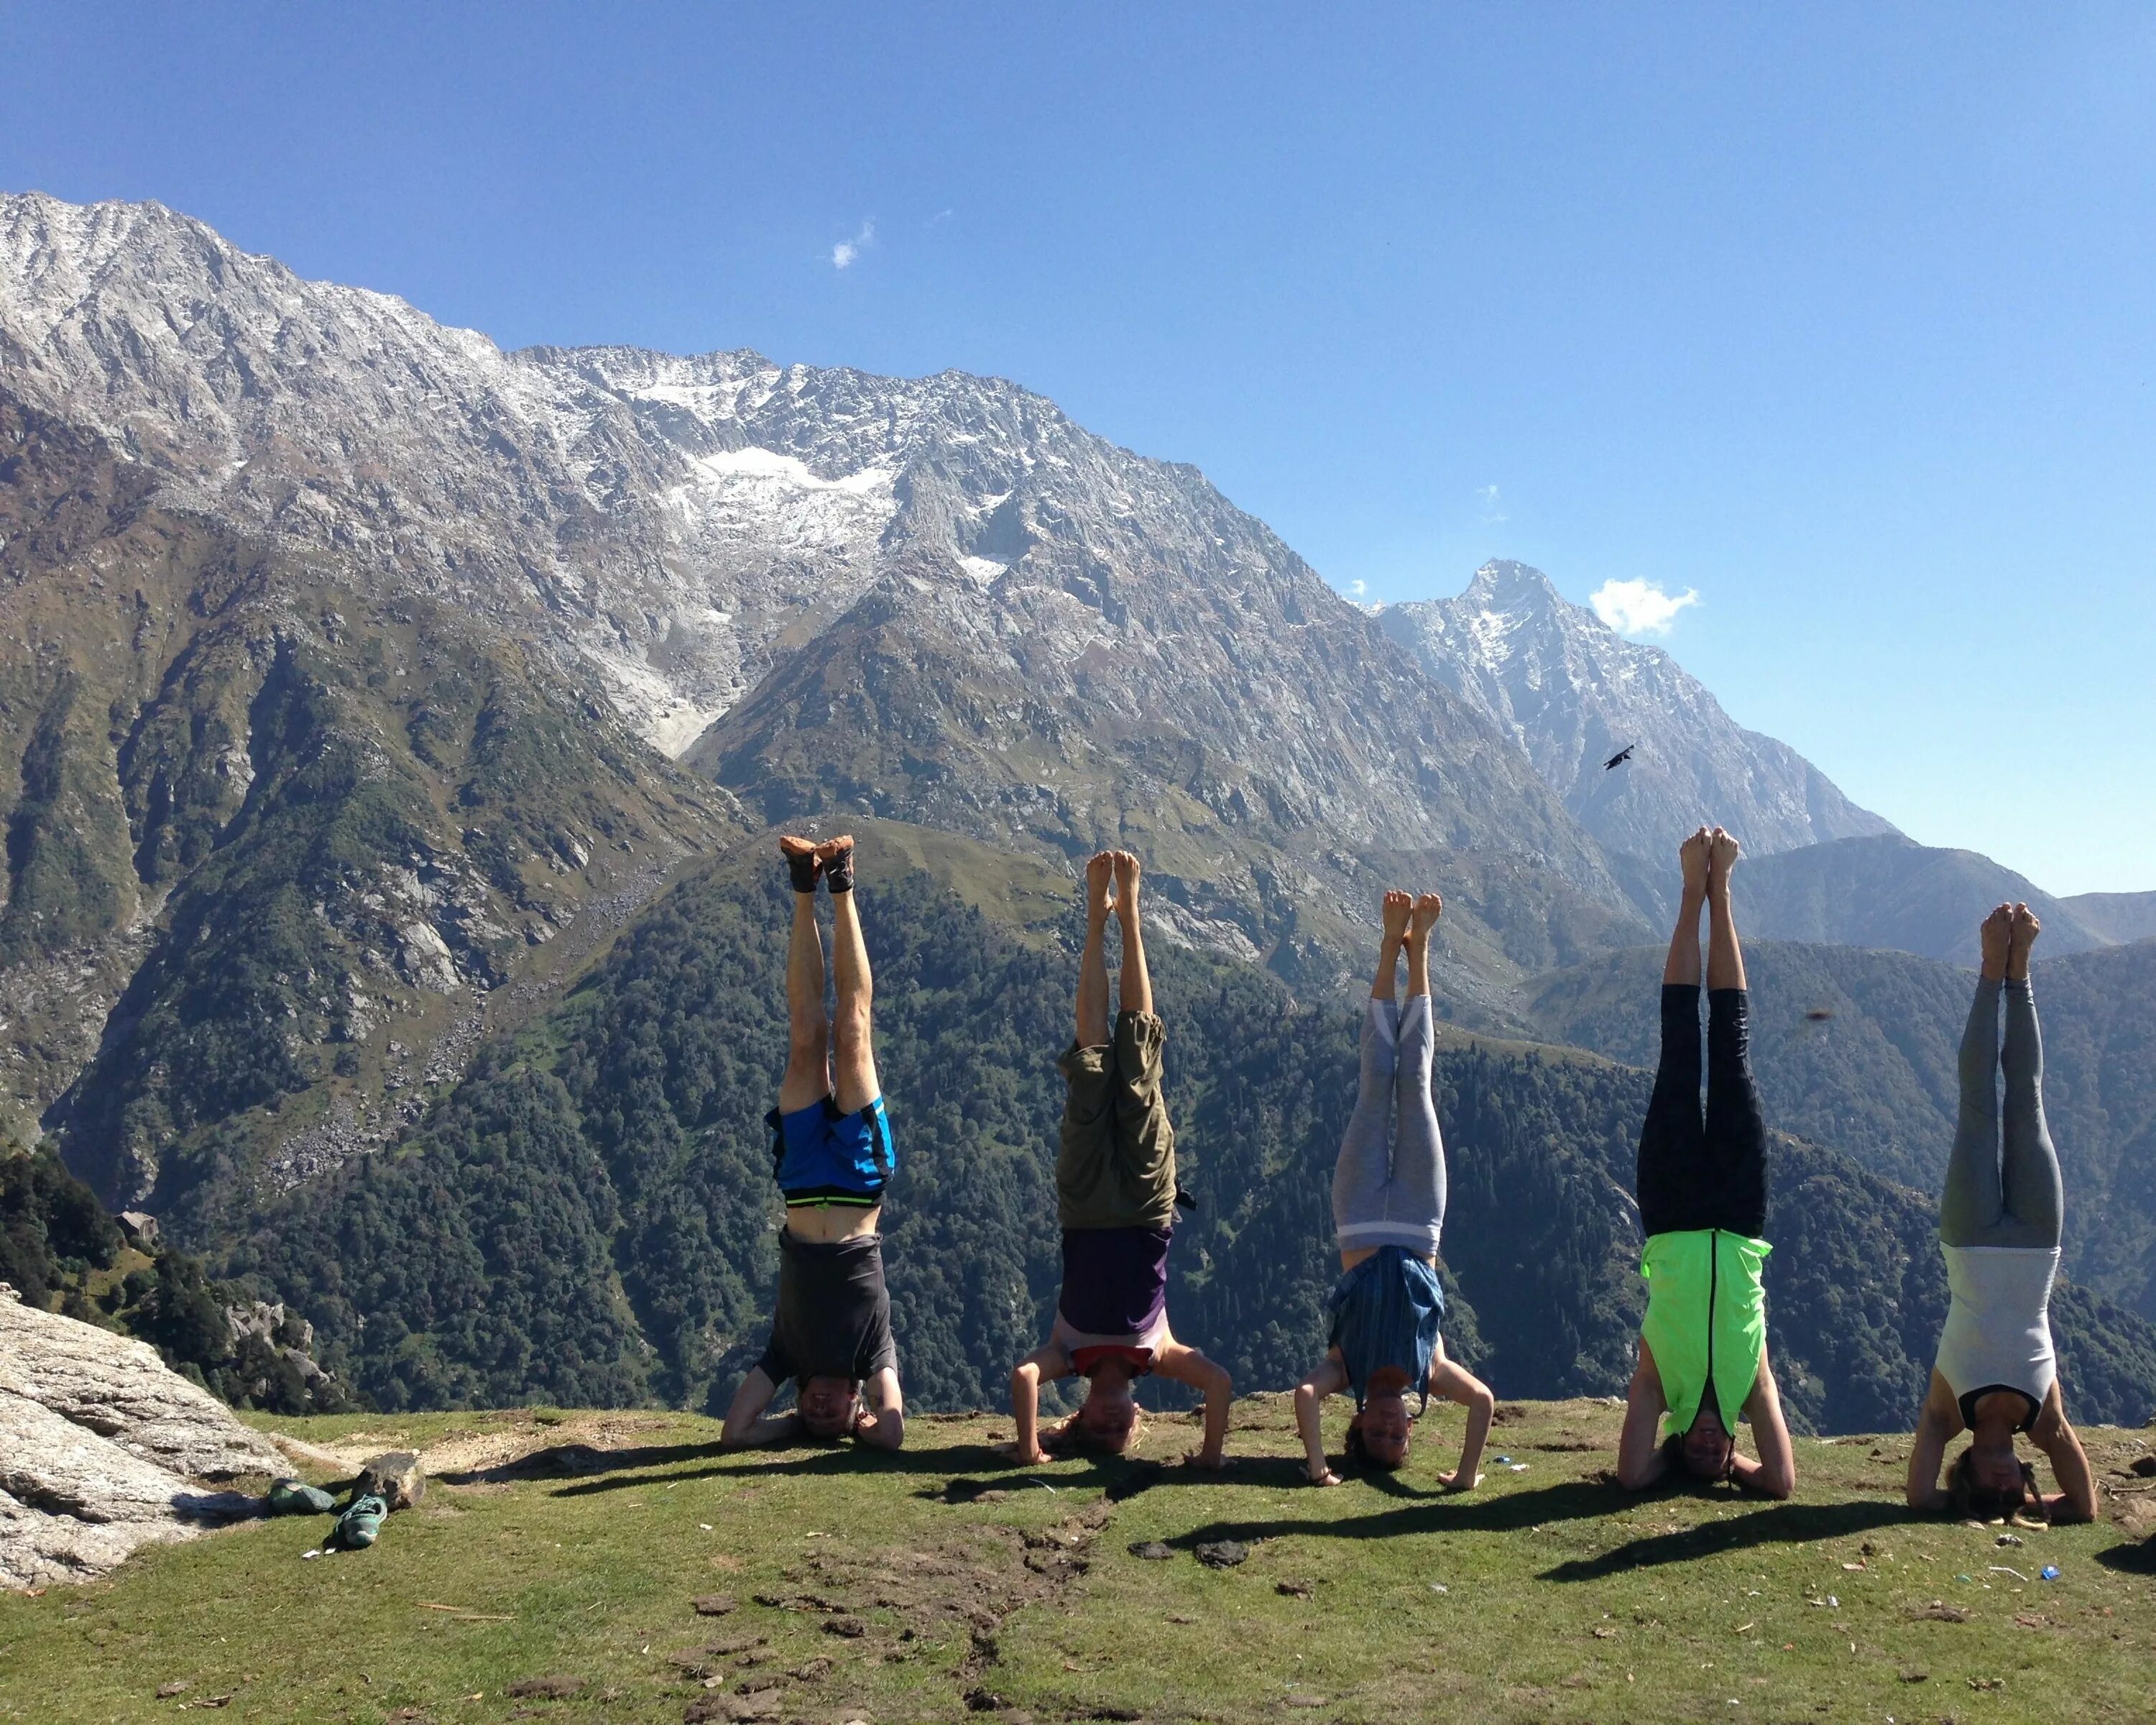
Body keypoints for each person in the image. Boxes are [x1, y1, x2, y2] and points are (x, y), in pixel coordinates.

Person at [1005, 850, 1232, 1466]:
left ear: (1077, 1416)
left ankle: (1095, 922)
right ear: (1138, 1418)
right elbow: (1218, 1385)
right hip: (1145, 1205)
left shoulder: (1068, 1353)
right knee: (1137, 1069)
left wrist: (1030, 1450)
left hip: (1081, 1206)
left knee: (1090, 1065)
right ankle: (1129, 918)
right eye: (1120, 1430)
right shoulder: (1158, 1353)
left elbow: (1025, 1377)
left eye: (1095, 1430)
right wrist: (1209, 1458)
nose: (1110, 1420)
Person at [1616, 827, 1795, 1498]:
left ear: (1677, 1441)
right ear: (1730, 1455)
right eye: (1715, 1456)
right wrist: (1736, 1473)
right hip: (1742, 1215)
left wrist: (1677, 1472)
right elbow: (1781, 1483)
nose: (1708, 1445)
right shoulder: (1756, 1383)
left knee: (1679, 1049)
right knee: (1732, 1050)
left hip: (1671, 1211)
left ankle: (1691, 891)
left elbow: (1633, 1474)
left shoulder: (1660, 1382)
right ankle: (1724, 895)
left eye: (1692, 1450)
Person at [1294, 890, 1495, 1486]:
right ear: (1410, 1430)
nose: (1386, 1427)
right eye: (1396, 1436)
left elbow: (1305, 1394)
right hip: (1417, 1222)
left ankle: (1390, 948)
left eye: (1372, 1435)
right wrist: (1464, 1478)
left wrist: (1316, 1465)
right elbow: (1483, 1402)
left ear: (1354, 1427)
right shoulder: (1430, 1372)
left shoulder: (1345, 1372)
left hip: (1356, 1218)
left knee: (1375, 1085)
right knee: (1418, 1082)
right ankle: (1421, 950)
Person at [1906, 904, 2097, 1523]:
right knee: (2028, 1103)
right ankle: (2022, 975)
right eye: (2010, 1491)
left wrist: (1959, 1509)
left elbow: (1917, 1497)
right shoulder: (2045, 1420)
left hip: (1969, 1240)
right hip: (2039, 1243)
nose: (2000, 1484)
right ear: (2024, 1476)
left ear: (1965, 1477)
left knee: (1978, 1107)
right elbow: (2088, 1508)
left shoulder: (1947, 1411)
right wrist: (2040, 1513)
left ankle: (1992, 969)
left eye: (1986, 1490)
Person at [721, 834, 905, 1450]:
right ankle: (843, 885)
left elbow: (734, 1434)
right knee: (852, 1031)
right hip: (858, 1179)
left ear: (798, 1400)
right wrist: (859, 1427)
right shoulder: (871, 1353)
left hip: (801, 1182)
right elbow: (894, 1436)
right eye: (835, 1413)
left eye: (812, 1412)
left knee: (806, 1034)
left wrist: (798, 1428)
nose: (822, 1408)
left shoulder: (785, 1353)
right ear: (857, 1402)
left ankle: (805, 885)